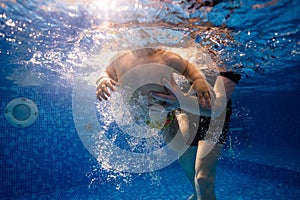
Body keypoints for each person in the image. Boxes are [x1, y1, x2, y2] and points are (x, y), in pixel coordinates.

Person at [96, 47, 240, 200]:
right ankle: (198, 194)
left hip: (212, 120)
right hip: (184, 111)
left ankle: (202, 193)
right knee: (183, 157)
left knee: (202, 178)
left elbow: (216, 109)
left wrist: (191, 89)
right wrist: (104, 79)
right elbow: (108, 72)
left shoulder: (228, 66)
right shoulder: (127, 58)